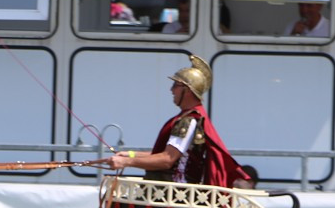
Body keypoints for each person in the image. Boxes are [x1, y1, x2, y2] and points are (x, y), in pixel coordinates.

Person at [101, 55, 251, 188]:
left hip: (175, 193)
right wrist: (130, 155)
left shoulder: (188, 121)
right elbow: (163, 154)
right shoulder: (187, 118)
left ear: (187, 89)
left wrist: (126, 163)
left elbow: (167, 159)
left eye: (175, 85)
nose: (171, 90)